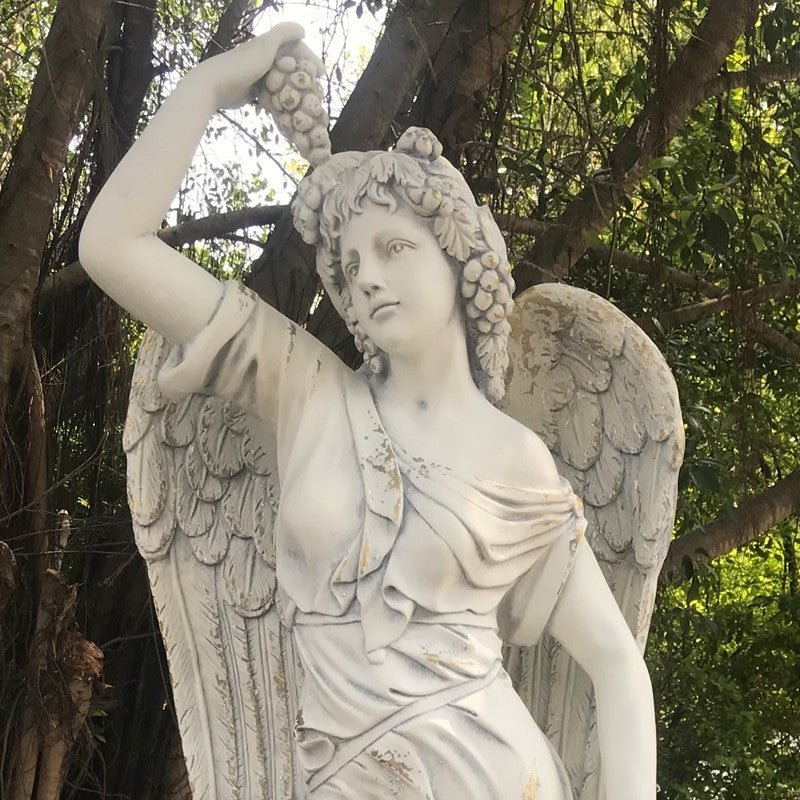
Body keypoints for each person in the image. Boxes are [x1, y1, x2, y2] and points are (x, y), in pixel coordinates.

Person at [79, 22, 656, 800]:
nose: (367, 279)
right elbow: (113, 245)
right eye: (349, 266)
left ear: (457, 257)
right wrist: (210, 85)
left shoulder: (515, 457)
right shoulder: (307, 392)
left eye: (394, 248)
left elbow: (617, 666)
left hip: (488, 773)